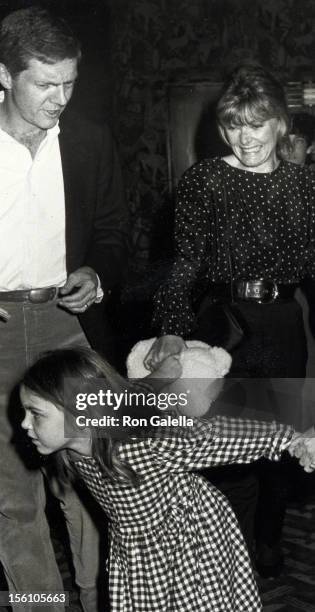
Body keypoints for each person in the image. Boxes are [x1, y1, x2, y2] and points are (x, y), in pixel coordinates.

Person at [148, 63, 315, 577]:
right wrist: (172, 328)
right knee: (229, 446)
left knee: (280, 448)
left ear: (279, 124)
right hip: (225, 325)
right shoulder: (205, 179)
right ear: (223, 129)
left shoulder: (302, 185)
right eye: (235, 126)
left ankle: (266, 542)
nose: (246, 139)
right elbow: (187, 261)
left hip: (284, 326)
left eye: (257, 124)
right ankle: (233, 552)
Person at [0, 7, 128, 612]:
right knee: (11, 493)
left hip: (69, 327)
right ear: (3, 74)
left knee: (95, 477)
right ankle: (41, 605)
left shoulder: (89, 139)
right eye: (45, 83)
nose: (61, 98)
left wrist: (94, 274)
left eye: (70, 81)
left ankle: (101, 597)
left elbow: (112, 234)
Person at [18, 346, 304, 612]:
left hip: (188, 540)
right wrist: (161, 375)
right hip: (136, 546)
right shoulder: (79, 443)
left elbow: (212, 435)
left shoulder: (139, 444)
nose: (24, 424)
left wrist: (291, 440)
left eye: (36, 414)